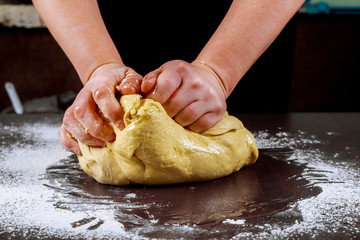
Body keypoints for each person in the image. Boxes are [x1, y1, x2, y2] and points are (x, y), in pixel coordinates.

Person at [32, 0, 304, 155]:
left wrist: (219, 71)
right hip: (104, 30)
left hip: (248, 34)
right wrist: (98, 65)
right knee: (110, 116)